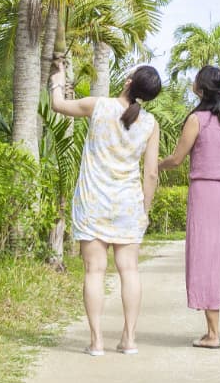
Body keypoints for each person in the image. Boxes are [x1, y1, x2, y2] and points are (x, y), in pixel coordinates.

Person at [50, 55, 162, 356]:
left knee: (94, 272)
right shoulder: (151, 123)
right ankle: (129, 339)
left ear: (128, 83)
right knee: (130, 271)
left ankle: (97, 341)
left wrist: (57, 77)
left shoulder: (98, 105)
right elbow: (151, 173)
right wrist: (145, 210)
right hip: (128, 206)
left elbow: (58, 105)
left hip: (93, 202)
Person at [162, 64, 220, 348]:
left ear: (201, 88)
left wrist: (153, 164)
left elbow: (177, 159)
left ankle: (212, 334)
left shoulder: (197, 119)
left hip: (206, 192)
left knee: (206, 256)